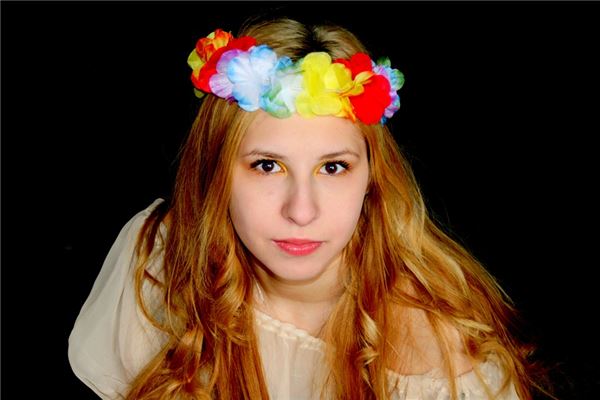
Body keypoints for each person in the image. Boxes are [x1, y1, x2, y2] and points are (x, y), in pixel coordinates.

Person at [68, 16, 551, 400]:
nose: (301, 211)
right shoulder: (158, 259)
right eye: (267, 166)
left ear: (372, 180)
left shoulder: (434, 356)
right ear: (215, 174)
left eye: (333, 167)